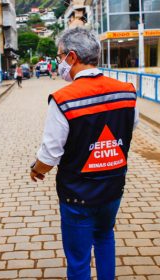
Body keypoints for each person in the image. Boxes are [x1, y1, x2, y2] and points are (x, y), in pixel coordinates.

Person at [30, 27, 138, 280]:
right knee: (104, 238)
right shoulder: (127, 91)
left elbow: (50, 153)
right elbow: (130, 127)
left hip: (77, 195)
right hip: (113, 189)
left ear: (72, 56)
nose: (59, 62)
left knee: (78, 257)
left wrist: (36, 169)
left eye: (59, 57)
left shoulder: (63, 98)